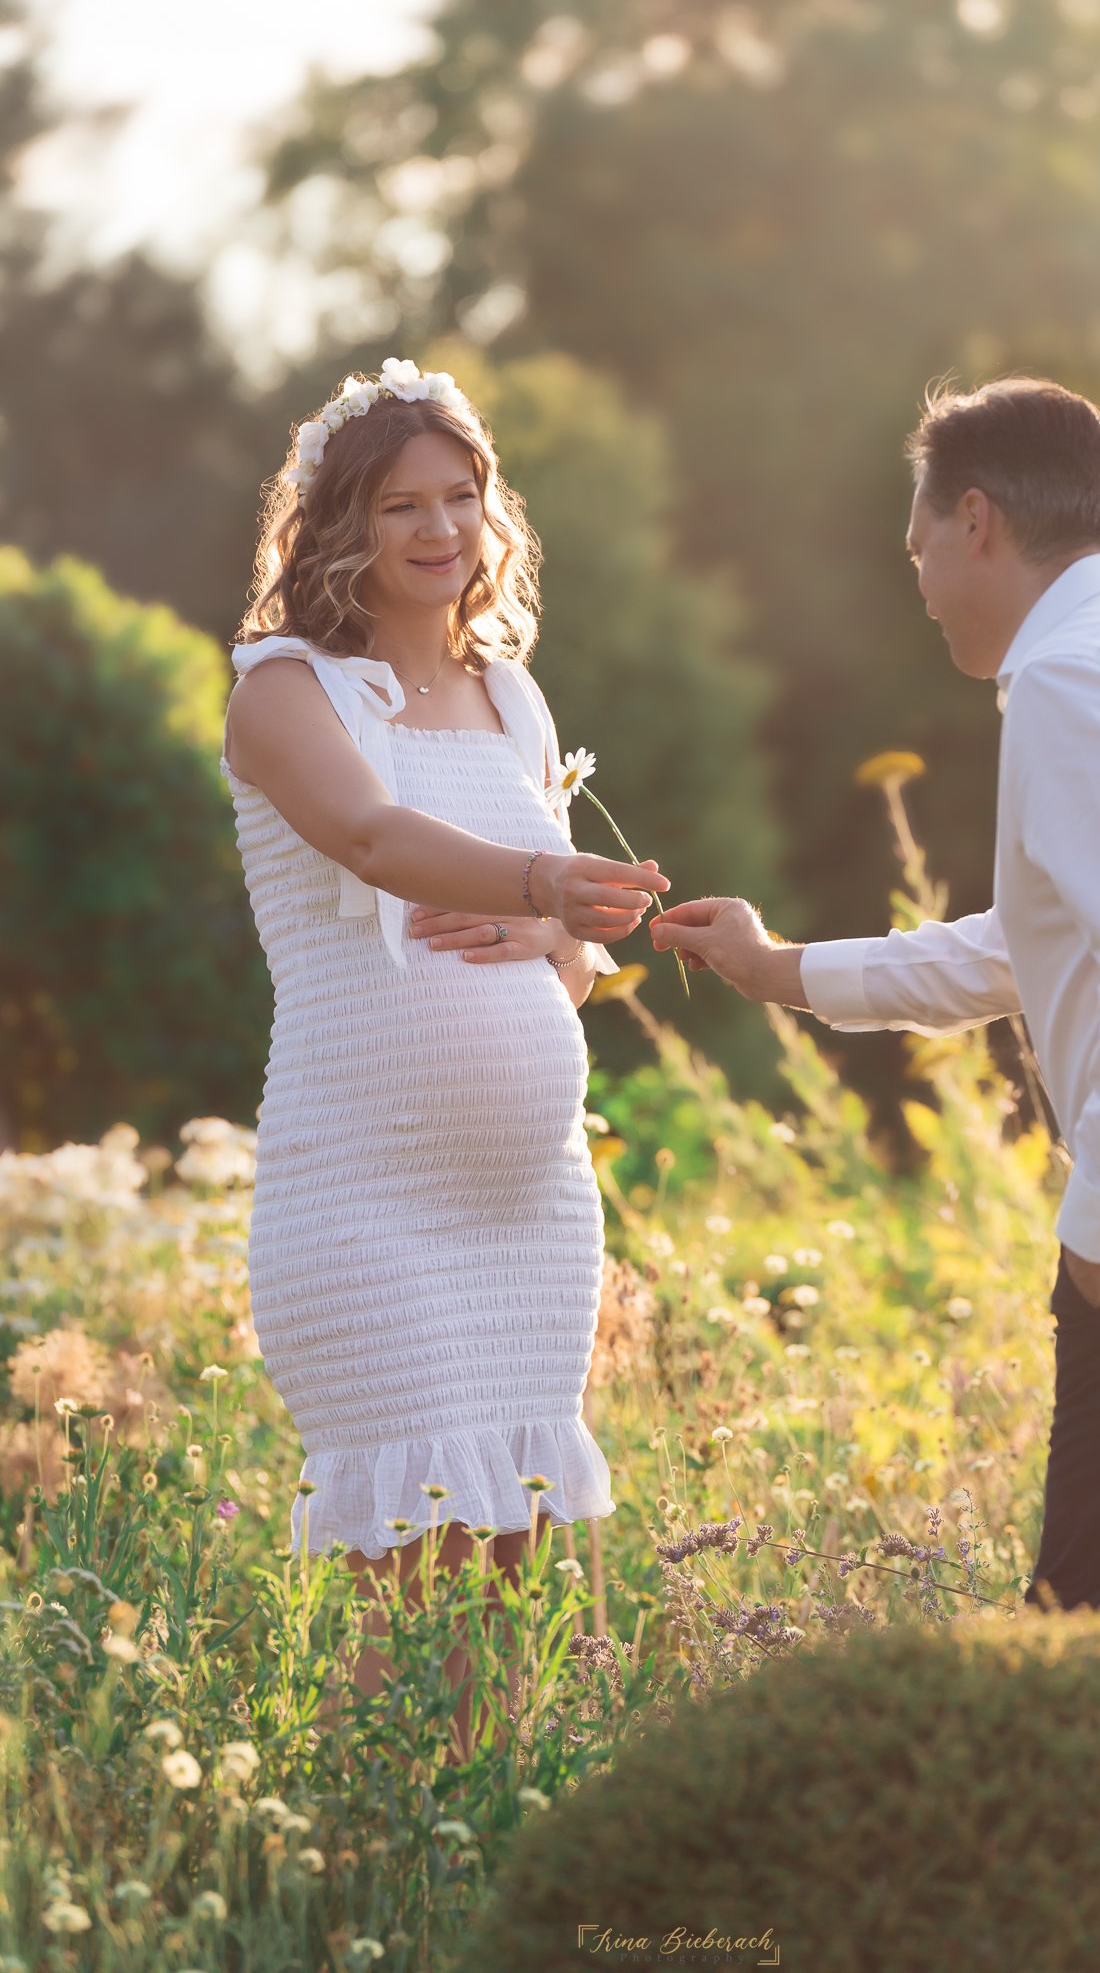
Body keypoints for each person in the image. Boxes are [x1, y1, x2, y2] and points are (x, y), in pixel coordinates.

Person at [651, 375, 1100, 1628]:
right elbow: (1038, 944)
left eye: (919, 546)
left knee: (1093, 1640)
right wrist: (783, 968)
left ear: (974, 519)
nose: (920, 582)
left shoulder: (1072, 678)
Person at [221, 356, 669, 1736]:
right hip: (362, 1197)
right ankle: (382, 1866)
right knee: (407, 1572)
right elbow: (369, 839)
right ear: (334, 527)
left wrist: (564, 936)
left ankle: (479, 1860)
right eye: (399, 505)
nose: (435, 530)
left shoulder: (512, 701)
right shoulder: (284, 689)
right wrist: (539, 886)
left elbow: (573, 970)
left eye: (459, 498)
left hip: (523, 1210)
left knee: (510, 1564)